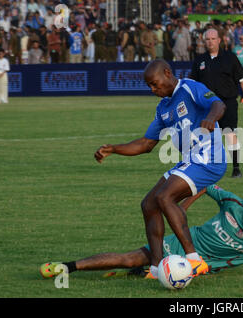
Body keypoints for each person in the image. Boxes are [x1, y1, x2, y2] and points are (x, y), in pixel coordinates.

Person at [40, 184, 243, 279]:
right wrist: (182, 208)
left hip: (198, 268)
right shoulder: (232, 203)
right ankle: (65, 267)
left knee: (165, 276)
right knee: (130, 256)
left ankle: (146, 272)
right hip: (179, 246)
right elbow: (204, 184)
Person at [91, 59, 227, 279]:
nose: (153, 89)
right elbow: (146, 144)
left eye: (155, 84)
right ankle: (156, 268)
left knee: (165, 196)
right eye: (149, 86)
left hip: (210, 158)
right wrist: (114, 149)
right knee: (149, 204)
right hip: (192, 160)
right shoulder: (163, 108)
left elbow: (219, 104)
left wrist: (211, 118)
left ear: (167, 73)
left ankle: (195, 260)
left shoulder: (189, 87)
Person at [191, 28, 243, 179]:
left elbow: (242, 79)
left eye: (213, 39)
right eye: (207, 39)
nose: (210, 42)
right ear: (204, 41)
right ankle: (204, 167)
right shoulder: (199, 60)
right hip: (207, 105)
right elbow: (193, 84)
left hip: (227, 103)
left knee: (229, 133)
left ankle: (236, 168)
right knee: (205, 135)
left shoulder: (230, 57)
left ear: (219, 40)